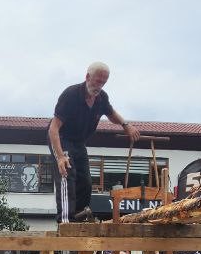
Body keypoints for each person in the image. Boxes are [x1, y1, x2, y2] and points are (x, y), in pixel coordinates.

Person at [47, 62, 140, 222]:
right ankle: (65, 220)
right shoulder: (71, 95)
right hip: (61, 138)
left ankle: (79, 215)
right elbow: (53, 129)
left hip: (78, 142)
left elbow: (111, 114)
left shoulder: (101, 98)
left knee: (86, 181)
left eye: (103, 83)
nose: (99, 86)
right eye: (97, 81)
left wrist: (126, 125)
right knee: (67, 173)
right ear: (87, 77)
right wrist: (60, 157)